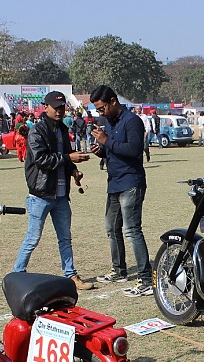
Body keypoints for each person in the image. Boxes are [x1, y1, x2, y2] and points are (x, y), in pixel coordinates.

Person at [13, 91, 94, 291]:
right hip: (40, 194)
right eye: (55, 107)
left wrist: (74, 171)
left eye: (62, 107)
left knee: (65, 238)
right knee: (33, 238)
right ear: (46, 107)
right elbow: (41, 160)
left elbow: (65, 158)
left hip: (61, 196)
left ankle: (71, 275)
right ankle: (17, 274)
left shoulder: (63, 129)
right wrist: (69, 158)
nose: (59, 111)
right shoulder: (37, 131)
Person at [89, 85, 153, 297]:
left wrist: (107, 141)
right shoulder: (110, 121)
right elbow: (114, 153)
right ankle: (119, 270)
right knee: (111, 228)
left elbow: (134, 151)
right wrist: (102, 151)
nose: (101, 113)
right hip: (114, 183)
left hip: (131, 182)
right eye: (98, 110)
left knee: (132, 230)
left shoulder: (131, 121)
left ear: (113, 101)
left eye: (102, 108)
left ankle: (145, 279)